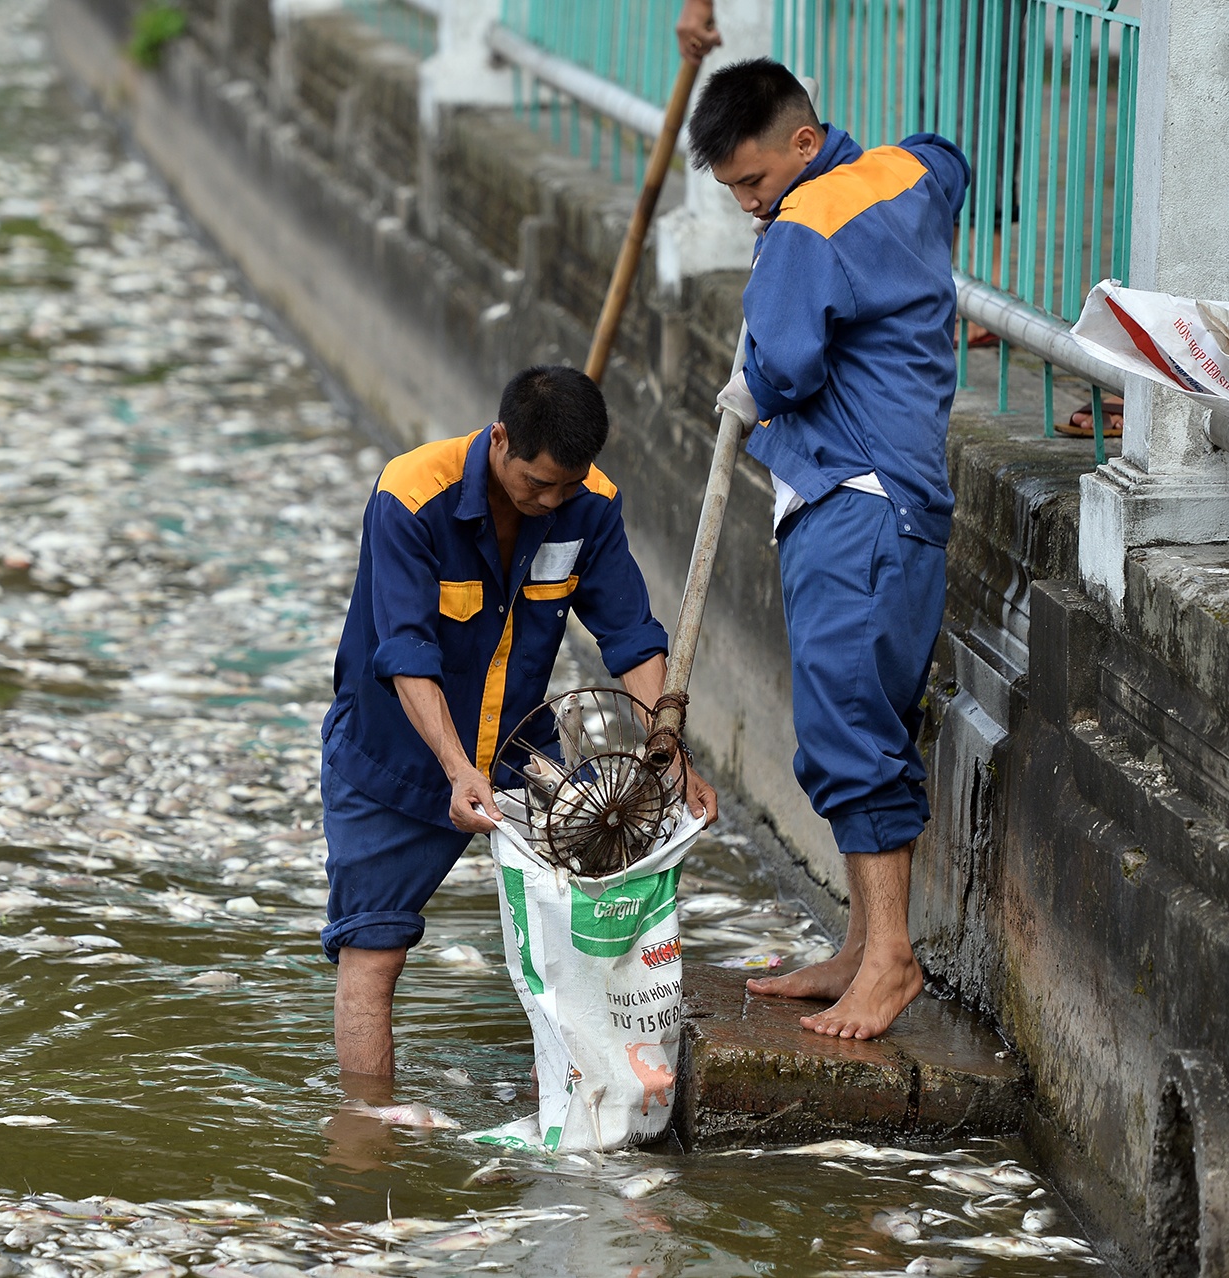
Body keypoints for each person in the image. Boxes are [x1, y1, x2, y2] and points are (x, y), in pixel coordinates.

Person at [321, 365, 718, 1079]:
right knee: (374, 954)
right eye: (537, 484)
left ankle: (569, 1102)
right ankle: (367, 1136)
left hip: (520, 749)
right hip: (397, 757)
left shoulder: (589, 505)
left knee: (590, 911)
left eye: (567, 485)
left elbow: (628, 632)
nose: (550, 501)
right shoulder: (410, 497)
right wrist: (454, 768)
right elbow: (406, 652)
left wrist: (671, 744)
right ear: (499, 439)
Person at [685, 58, 970, 1040]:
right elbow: (952, 159)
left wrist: (756, 355)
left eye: (753, 184)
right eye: (732, 194)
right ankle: (861, 941)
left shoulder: (805, 227)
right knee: (870, 719)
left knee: (849, 731)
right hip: (904, 508)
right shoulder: (901, 173)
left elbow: (788, 367)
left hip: (852, 501)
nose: (749, 208)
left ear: (804, 145)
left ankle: (890, 960)